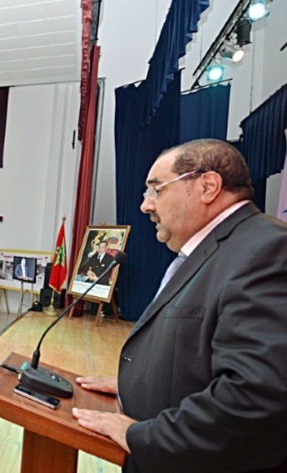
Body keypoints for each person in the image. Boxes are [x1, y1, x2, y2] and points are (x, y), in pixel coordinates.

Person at [72, 139, 287, 473]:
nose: (146, 205)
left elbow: (254, 397)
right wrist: (140, 383)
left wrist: (140, 437)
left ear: (208, 186)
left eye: (156, 190)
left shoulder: (269, 250)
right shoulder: (219, 251)